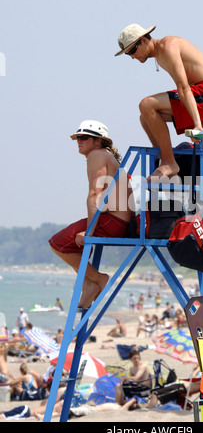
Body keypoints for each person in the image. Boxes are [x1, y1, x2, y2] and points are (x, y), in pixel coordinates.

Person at [115, 24, 203, 180]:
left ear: (144, 41)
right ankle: (163, 160)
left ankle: (169, 162)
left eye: (132, 50)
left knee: (146, 104)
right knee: (145, 118)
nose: (132, 56)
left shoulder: (168, 46)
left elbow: (183, 87)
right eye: (128, 54)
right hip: (199, 94)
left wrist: (197, 124)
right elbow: (184, 90)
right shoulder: (160, 56)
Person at [49, 120, 133, 309]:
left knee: (58, 243)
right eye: (77, 138)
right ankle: (89, 285)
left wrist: (89, 231)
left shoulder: (97, 155)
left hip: (113, 221)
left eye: (84, 137)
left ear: (98, 141)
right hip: (118, 220)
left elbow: (94, 195)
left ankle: (98, 279)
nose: (79, 141)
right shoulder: (107, 156)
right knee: (71, 244)